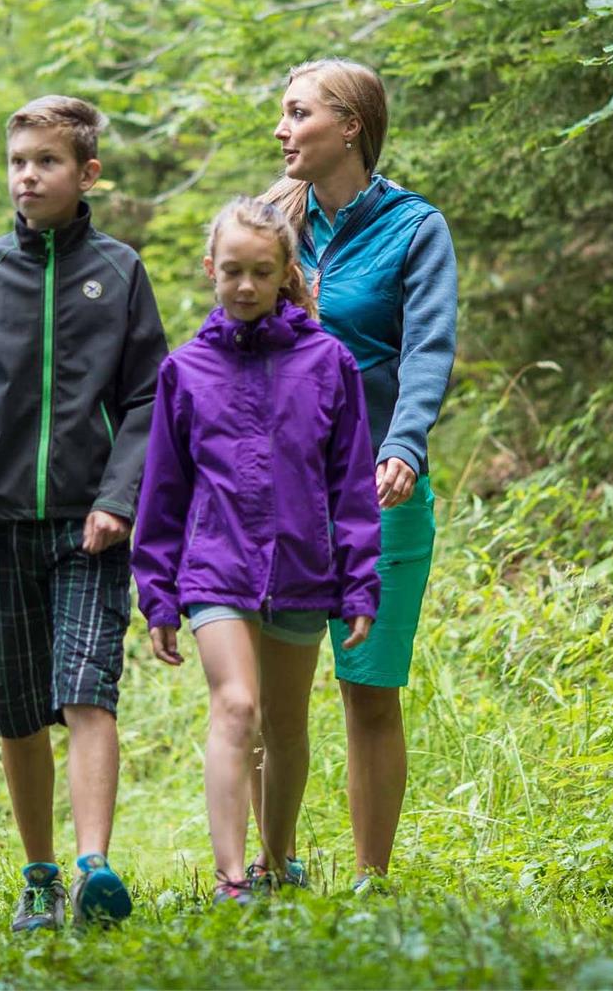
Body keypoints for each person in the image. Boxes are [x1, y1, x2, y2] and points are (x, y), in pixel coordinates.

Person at [0, 95, 168, 933]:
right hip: (0, 517)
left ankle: (95, 865)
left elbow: (145, 401)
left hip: (92, 522)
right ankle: (40, 875)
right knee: (20, 705)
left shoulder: (121, 271)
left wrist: (120, 498)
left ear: (86, 172)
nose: (29, 175)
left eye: (47, 162)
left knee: (89, 689)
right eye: (19, 162)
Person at [131, 197, 381, 906]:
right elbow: (163, 492)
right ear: (211, 270)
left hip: (302, 570)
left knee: (286, 725)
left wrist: (360, 584)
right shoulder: (186, 371)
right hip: (216, 570)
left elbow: (352, 484)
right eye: (232, 271)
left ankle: (276, 862)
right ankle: (231, 878)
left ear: (284, 275)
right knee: (236, 707)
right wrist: (159, 594)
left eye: (260, 272)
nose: (244, 286)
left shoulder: (329, 364)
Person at [266, 58, 458, 891]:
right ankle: (273, 868)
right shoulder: (270, 227)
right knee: (274, 705)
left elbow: (427, 350)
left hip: (380, 491)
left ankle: (371, 882)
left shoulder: (416, 230)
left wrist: (405, 444)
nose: (281, 129)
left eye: (298, 113)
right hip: (278, 497)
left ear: (350, 127)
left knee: (369, 691)